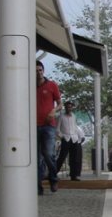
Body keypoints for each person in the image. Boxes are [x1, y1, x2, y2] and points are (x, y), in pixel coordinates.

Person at [36, 60, 61, 194]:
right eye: (36, 71)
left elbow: (60, 104)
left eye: (40, 70)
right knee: (36, 158)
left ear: (43, 71)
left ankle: (53, 179)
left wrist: (53, 111)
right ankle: (37, 187)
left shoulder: (52, 85)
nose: (38, 73)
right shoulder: (29, 86)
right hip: (33, 126)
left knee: (48, 154)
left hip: (48, 126)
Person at [55, 101, 84, 181]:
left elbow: (75, 127)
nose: (69, 108)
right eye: (67, 107)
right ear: (65, 108)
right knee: (62, 157)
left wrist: (80, 136)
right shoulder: (61, 117)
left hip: (74, 139)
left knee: (74, 158)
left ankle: (73, 175)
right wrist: (62, 136)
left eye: (70, 107)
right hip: (66, 138)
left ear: (72, 108)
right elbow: (57, 130)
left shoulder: (74, 116)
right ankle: (53, 174)